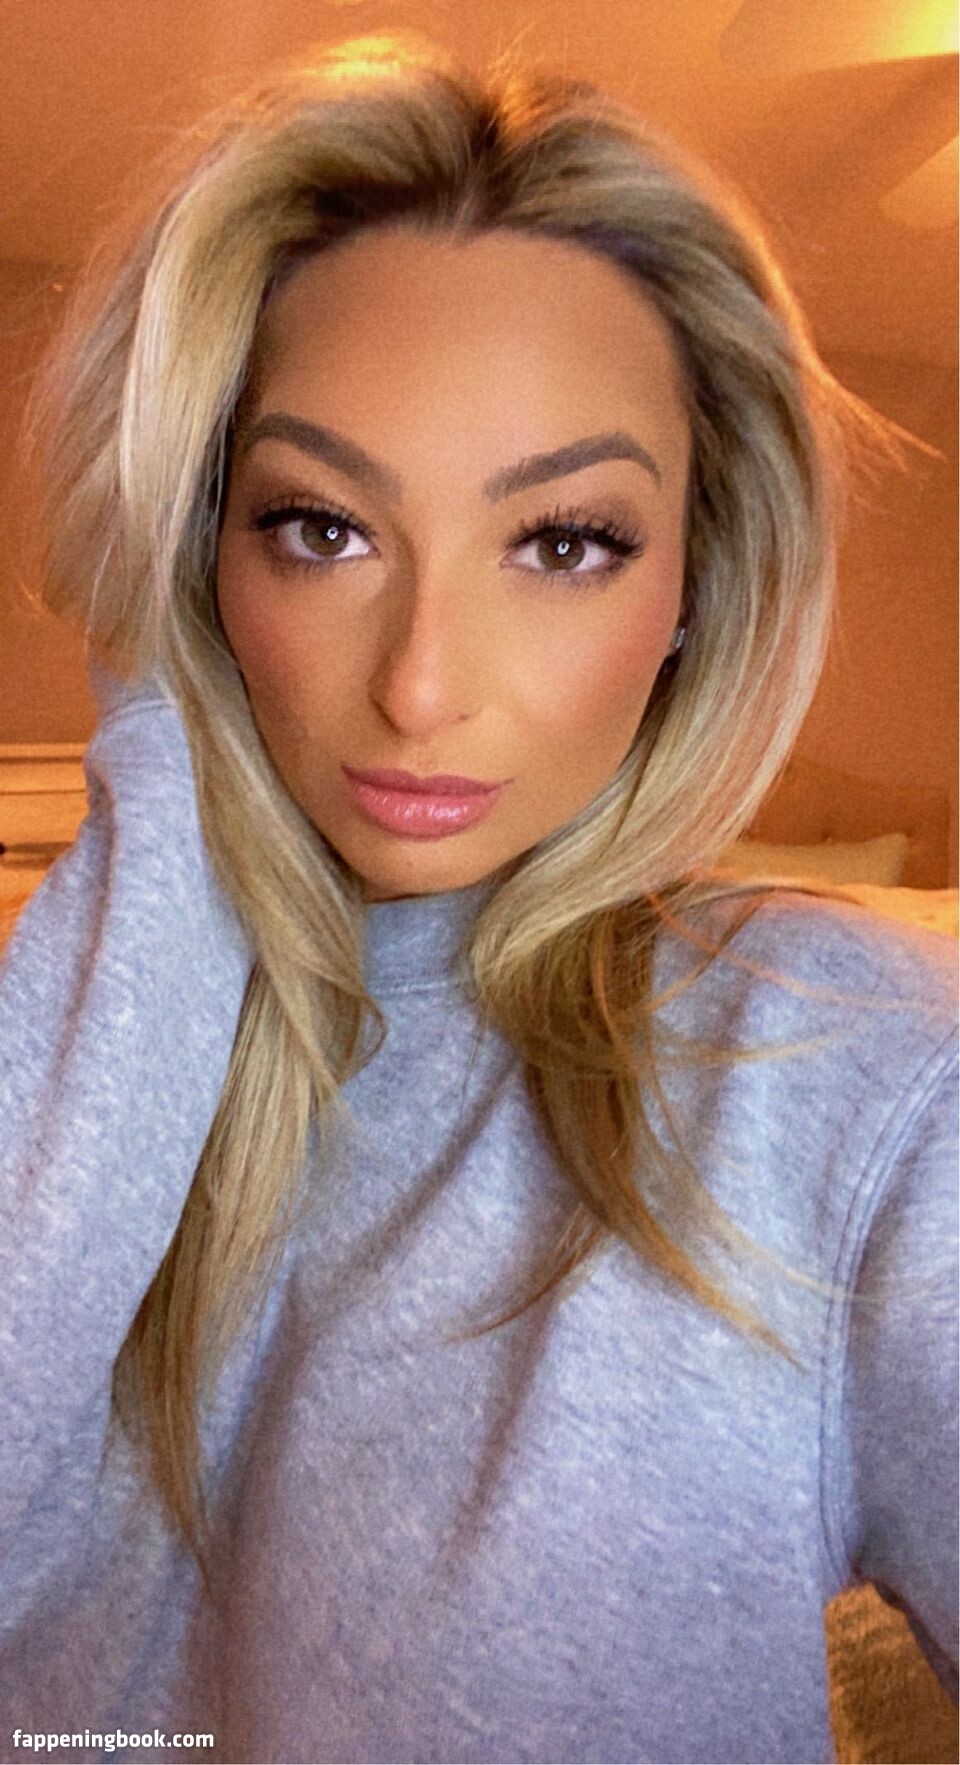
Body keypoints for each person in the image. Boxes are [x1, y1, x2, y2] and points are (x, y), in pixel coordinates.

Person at [1, 30, 956, 1765]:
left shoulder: (850, 1077)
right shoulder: (75, 1057)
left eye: (565, 540)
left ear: (695, 579)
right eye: (319, 526)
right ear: (198, 552)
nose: (422, 684)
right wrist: (164, 794)